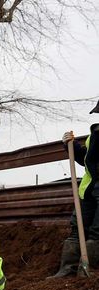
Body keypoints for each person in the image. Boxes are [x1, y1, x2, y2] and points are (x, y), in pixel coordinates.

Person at [51, 100, 99, 276]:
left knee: (97, 231)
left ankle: (89, 272)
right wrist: (72, 147)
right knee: (77, 228)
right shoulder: (95, 133)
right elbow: (88, 160)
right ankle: (67, 269)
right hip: (89, 189)